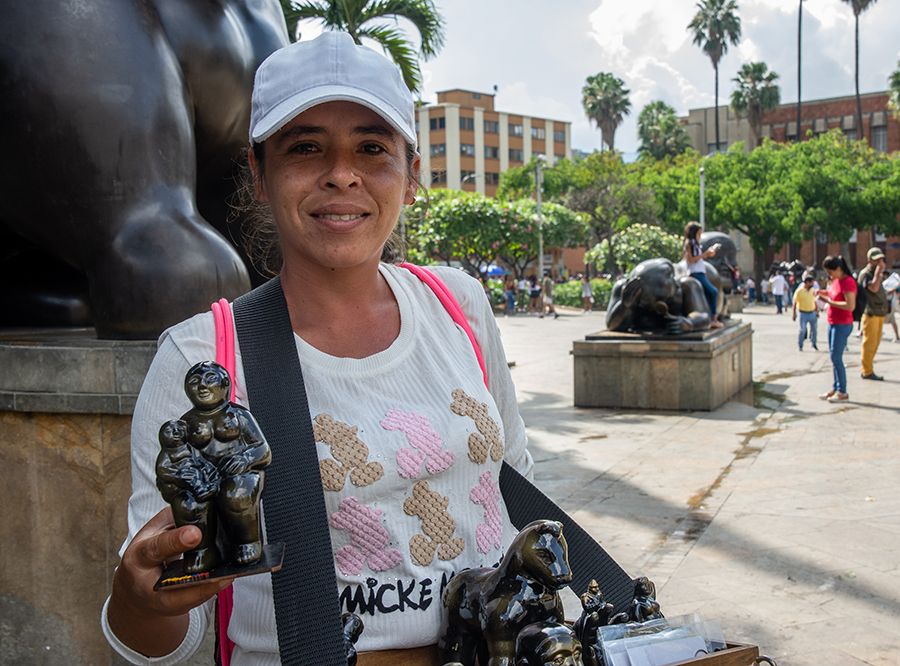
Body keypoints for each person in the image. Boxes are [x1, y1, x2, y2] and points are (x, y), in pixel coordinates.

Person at [102, 32, 533, 664]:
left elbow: (517, 494)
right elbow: (167, 643)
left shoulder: (458, 307)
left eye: (371, 147)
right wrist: (139, 599)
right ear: (259, 173)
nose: (341, 174)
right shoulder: (202, 359)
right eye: (305, 148)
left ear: (410, 174)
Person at [817, 255, 857, 402]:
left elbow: (850, 305)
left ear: (839, 269)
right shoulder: (837, 281)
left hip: (843, 323)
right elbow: (835, 294)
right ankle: (836, 387)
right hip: (833, 322)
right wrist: (824, 293)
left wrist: (829, 301)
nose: (829, 275)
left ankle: (842, 391)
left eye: (830, 272)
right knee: (834, 357)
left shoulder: (848, 282)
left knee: (836, 357)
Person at [682, 222, 723, 329]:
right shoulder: (689, 243)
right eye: (699, 233)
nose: (700, 236)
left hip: (700, 272)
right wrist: (705, 254)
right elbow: (690, 260)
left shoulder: (695, 244)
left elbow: (698, 258)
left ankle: (711, 317)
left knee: (709, 293)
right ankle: (713, 319)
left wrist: (708, 254)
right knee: (713, 292)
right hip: (695, 273)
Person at [858, 247, 889, 380]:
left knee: (875, 343)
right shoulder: (866, 274)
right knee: (869, 343)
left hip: (879, 312)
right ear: (869, 260)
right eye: (876, 260)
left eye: (881, 259)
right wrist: (878, 273)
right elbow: (874, 288)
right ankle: (866, 371)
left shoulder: (877, 273)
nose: (879, 262)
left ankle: (868, 368)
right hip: (870, 313)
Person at [792, 273, 819, 351]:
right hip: (803, 313)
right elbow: (795, 302)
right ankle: (800, 345)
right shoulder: (799, 291)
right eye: (811, 282)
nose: (813, 284)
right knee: (802, 330)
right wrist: (794, 313)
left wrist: (817, 311)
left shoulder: (812, 290)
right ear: (807, 282)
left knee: (814, 330)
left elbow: (814, 301)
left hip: (812, 312)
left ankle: (814, 344)